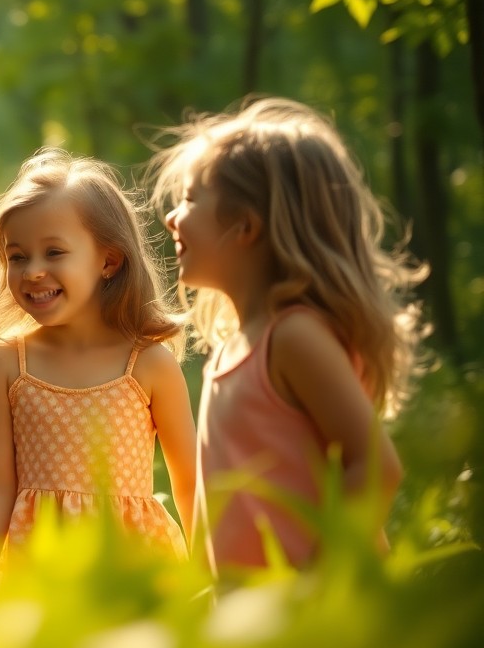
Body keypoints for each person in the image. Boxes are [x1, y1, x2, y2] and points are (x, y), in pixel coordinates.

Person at [149, 97, 419, 580]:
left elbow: (377, 466)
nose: (172, 217)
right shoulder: (235, 346)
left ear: (245, 226)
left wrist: (322, 584)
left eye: (190, 199)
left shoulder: (293, 338)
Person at [0, 149, 197, 596]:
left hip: (130, 565)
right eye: (17, 256)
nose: (33, 272)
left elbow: (189, 481)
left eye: (54, 252)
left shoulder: (148, 363)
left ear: (108, 261)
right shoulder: (7, 363)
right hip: (36, 566)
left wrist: (209, 572)